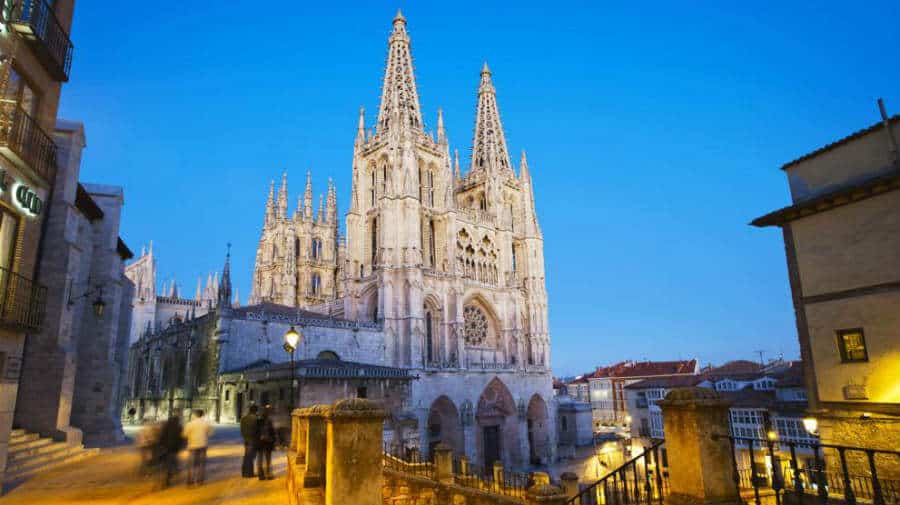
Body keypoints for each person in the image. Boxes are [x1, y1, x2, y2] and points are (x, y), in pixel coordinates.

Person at [183, 409, 214, 486]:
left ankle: (190, 481)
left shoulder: (190, 424)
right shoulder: (206, 424)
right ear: (202, 415)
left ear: (195, 415)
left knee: (191, 464)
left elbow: (185, 434)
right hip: (203, 445)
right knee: (201, 464)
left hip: (192, 445)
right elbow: (210, 433)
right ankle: (200, 481)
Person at [158, 413, 185, 488]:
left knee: (167, 462)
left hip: (166, 447)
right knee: (172, 461)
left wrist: (160, 445)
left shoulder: (166, 427)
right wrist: (180, 446)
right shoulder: (179, 427)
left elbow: (162, 436)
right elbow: (181, 438)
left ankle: (166, 477)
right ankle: (169, 476)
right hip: (174, 448)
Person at [256, 405, 276, 480]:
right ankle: (268, 474)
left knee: (260, 459)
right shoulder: (269, 421)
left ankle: (261, 475)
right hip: (268, 443)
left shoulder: (258, 421)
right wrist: (274, 441)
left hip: (260, 442)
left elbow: (255, 432)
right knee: (268, 459)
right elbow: (272, 432)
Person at [240, 405, 260, 478]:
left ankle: (244, 472)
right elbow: (257, 430)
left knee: (246, 456)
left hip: (246, 439)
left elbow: (241, 430)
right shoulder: (255, 419)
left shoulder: (244, 418)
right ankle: (249, 473)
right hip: (253, 440)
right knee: (250, 457)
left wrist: (245, 436)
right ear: (255, 411)